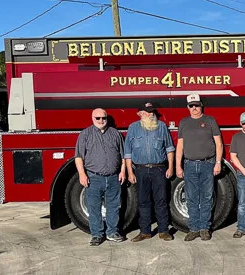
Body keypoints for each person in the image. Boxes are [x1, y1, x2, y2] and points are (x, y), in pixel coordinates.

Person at [74, 108, 127, 246]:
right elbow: (79, 157)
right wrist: (82, 174)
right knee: (94, 207)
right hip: (94, 177)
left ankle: (112, 232)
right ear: (92, 118)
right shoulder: (85, 135)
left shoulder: (115, 134)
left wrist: (122, 172)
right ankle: (97, 235)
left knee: (114, 207)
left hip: (113, 177)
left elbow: (123, 156)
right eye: (97, 118)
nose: (101, 120)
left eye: (103, 118)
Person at [124, 103, 175, 242]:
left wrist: (170, 167)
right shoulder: (133, 128)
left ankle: (163, 230)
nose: (151, 114)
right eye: (147, 112)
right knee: (143, 202)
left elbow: (169, 148)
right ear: (140, 114)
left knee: (161, 200)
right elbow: (127, 152)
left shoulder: (162, 127)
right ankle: (145, 232)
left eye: (152, 111)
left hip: (159, 169)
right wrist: (130, 172)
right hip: (140, 170)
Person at [176, 94, 223, 241]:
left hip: (207, 164)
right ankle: (193, 228)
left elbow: (219, 144)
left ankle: (204, 228)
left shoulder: (210, 121)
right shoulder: (183, 122)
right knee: (191, 198)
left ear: (201, 105)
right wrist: (178, 166)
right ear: (187, 107)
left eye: (197, 105)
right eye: (191, 105)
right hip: (189, 164)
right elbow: (180, 146)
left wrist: (218, 162)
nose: (194, 108)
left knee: (207, 197)